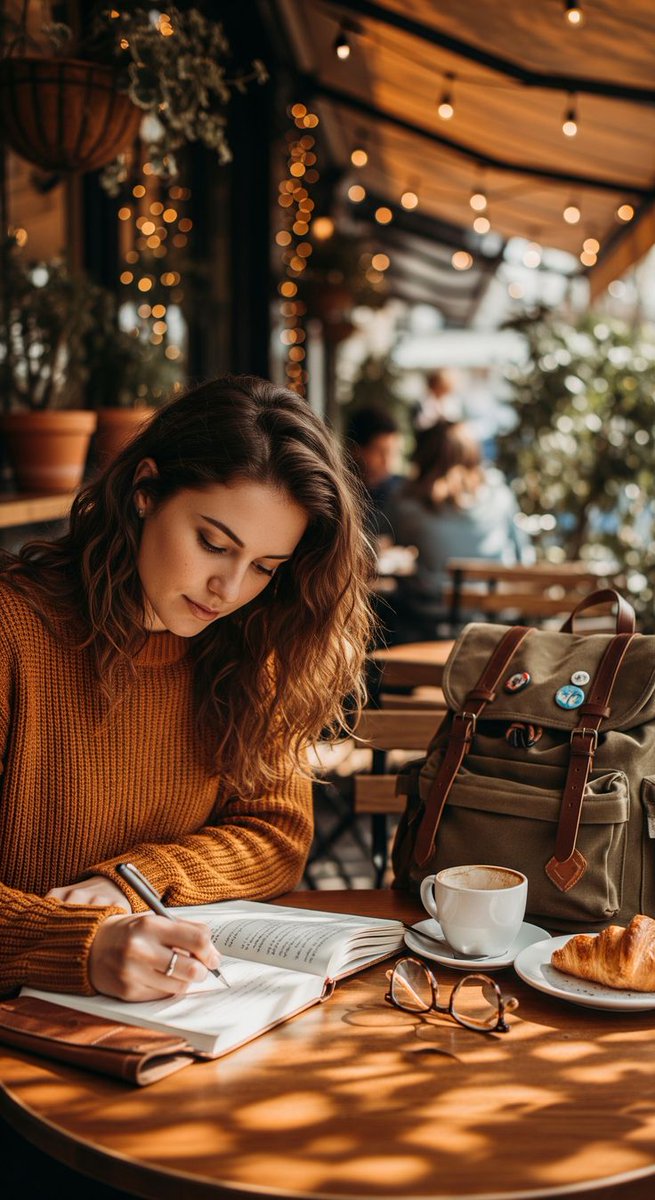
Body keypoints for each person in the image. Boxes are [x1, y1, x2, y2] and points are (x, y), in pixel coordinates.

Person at [0, 375, 373, 1003]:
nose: (229, 589)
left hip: (163, 1016)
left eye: (264, 567)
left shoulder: (249, 647)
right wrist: (80, 944)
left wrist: (133, 882)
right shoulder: (13, 633)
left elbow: (277, 833)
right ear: (145, 490)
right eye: (213, 543)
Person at [386, 419, 527, 642]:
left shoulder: (407, 505)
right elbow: (523, 557)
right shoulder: (501, 496)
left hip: (428, 627)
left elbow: (377, 545)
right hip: (495, 627)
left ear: (423, 457)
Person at [344, 405, 404, 539]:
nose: (388, 462)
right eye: (381, 452)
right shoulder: (342, 493)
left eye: (394, 452)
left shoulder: (404, 491)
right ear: (356, 450)